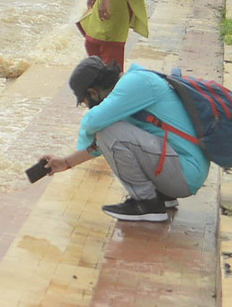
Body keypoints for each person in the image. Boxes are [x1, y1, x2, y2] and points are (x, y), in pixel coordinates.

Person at [38, 57, 211, 222]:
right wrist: (66, 162)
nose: (87, 106)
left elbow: (91, 123)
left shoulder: (134, 84)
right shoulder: (130, 87)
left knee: (106, 130)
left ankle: (147, 203)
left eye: (85, 102)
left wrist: (88, 136)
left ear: (93, 92)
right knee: (109, 131)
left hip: (186, 173)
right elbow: (100, 146)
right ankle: (162, 196)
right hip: (184, 171)